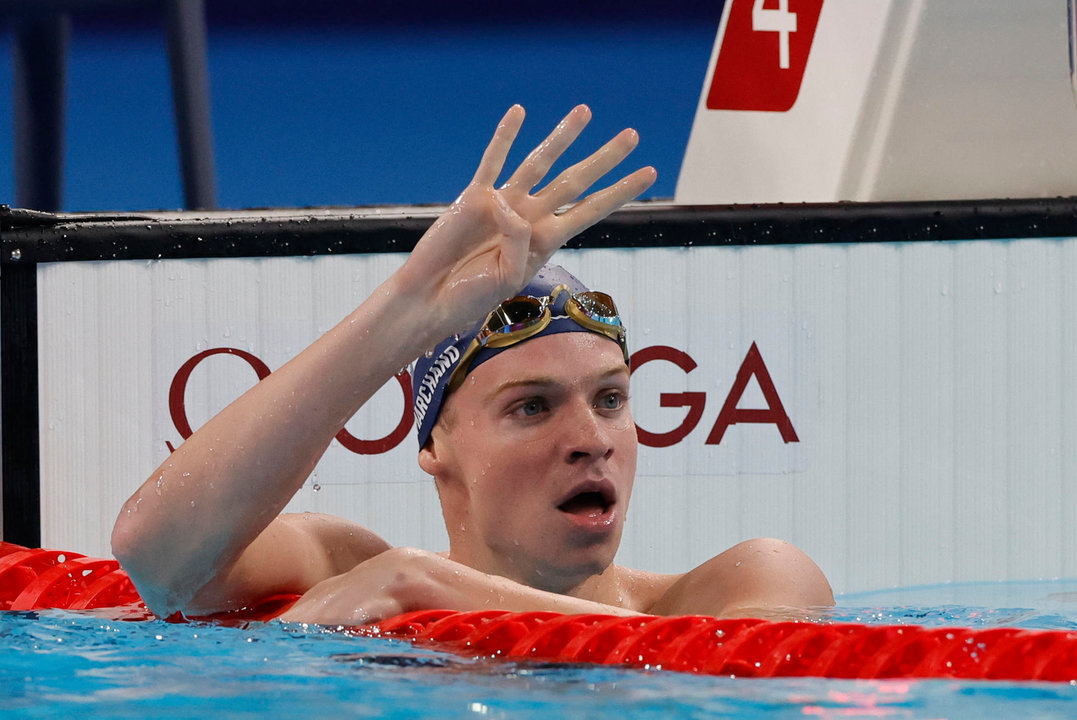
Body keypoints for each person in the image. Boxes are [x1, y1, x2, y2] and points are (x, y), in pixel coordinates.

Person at [112, 105, 833, 624]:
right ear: (433, 444)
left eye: (610, 399)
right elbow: (159, 560)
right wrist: (399, 315)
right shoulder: (349, 571)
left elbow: (743, 670)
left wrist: (437, 588)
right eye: (532, 406)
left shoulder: (743, 582)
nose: (592, 437)